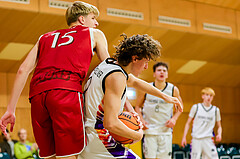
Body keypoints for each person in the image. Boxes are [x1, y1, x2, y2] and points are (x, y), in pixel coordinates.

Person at [0, 1, 110, 159]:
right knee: (69, 155)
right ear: (81, 19)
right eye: (93, 18)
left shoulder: (44, 37)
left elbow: (22, 70)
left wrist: (10, 109)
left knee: (50, 156)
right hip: (65, 92)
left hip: (38, 96)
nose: (96, 23)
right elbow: (110, 69)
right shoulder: (94, 33)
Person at [80, 34, 183, 158]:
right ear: (135, 58)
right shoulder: (117, 77)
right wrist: (138, 135)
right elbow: (110, 123)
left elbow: (134, 82)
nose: (146, 67)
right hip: (99, 138)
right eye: (146, 62)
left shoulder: (109, 64)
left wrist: (164, 96)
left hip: (88, 134)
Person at [135, 62, 183, 159]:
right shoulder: (146, 87)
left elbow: (180, 107)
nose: (162, 72)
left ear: (167, 74)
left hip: (165, 130)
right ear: (154, 74)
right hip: (149, 129)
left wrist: (174, 119)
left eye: (164, 71)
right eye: (159, 70)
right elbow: (137, 107)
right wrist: (141, 120)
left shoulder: (173, 89)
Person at [181, 87, 222, 159]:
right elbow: (188, 123)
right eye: (207, 95)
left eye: (211, 95)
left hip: (208, 139)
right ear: (203, 96)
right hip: (196, 139)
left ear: (213, 97)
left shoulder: (216, 110)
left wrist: (219, 134)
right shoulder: (196, 107)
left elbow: (219, 126)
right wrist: (184, 137)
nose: (208, 97)